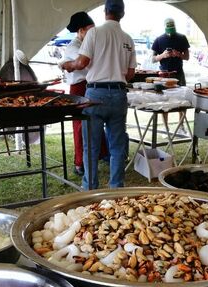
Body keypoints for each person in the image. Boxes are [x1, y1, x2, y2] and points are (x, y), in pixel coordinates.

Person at [63, 0, 136, 190]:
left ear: (105, 11)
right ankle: (116, 187)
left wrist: (66, 65)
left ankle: (90, 188)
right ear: (123, 13)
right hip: (119, 94)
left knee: (91, 146)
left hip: (96, 94)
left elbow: (81, 63)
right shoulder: (128, 38)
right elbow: (130, 74)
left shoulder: (95, 33)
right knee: (117, 146)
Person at [59, 11, 109, 177]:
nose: (93, 33)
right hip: (79, 87)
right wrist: (67, 64)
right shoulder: (74, 46)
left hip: (93, 85)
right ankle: (80, 163)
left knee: (96, 121)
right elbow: (84, 64)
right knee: (81, 127)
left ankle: (101, 154)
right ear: (80, 31)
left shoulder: (89, 43)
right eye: (89, 30)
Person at [151, 18, 190, 86]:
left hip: (178, 73)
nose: (170, 32)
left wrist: (178, 54)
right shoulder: (159, 39)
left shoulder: (182, 38)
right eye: (169, 29)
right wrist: (163, 55)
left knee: (181, 94)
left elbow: (187, 57)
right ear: (165, 28)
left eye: (172, 29)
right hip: (164, 74)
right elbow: (153, 59)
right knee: (164, 95)